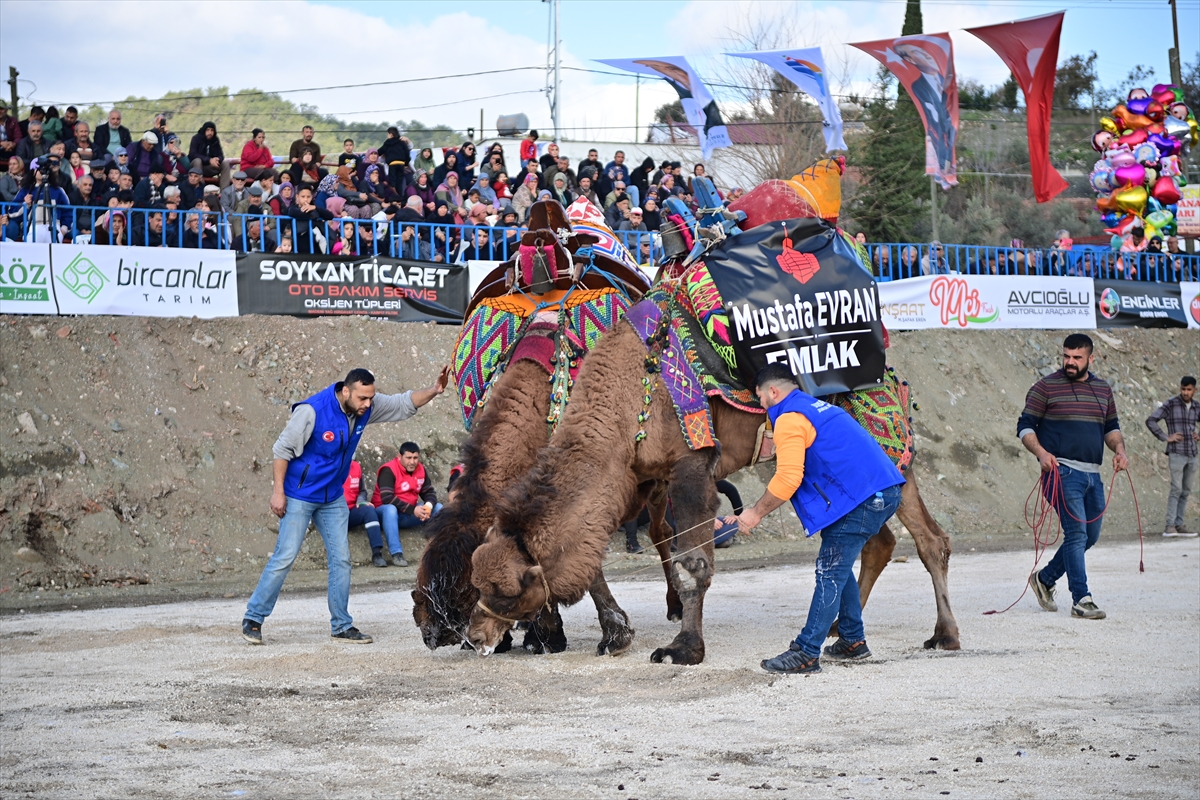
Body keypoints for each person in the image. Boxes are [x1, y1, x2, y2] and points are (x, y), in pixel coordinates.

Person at [243, 366, 451, 646]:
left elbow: (403, 403)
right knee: (285, 556)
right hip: (300, 494)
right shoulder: (312, 411)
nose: (368, 404)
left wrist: (435, 390)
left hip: (332, 497)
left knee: (341, 560)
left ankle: (341, 625)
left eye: (371, 398)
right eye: (363, 398)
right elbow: (281, 451)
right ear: (345, 391)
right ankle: (253, 618)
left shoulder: (365, 407)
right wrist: (278, 493)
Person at [728, 364, 905, 674]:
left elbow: (788, 478)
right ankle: (852, 640)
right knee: (837, 563)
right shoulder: (812, 406)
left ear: (773, 392)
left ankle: (806, 652)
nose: (760, 405)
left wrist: (754, 513)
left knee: (829, 570)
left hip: (865, 497)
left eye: (760, 398)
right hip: (876, 491)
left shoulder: (790, 418)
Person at [1020, 333, 1128, 621]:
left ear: (1091, 358)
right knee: (1077, 533)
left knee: (1089, 536)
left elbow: (1112, 428)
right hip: (1061, 472)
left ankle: (1044, 578)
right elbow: (1025, 426)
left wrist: (1119, 449)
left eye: (1077, 357)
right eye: (1066, 356)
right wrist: (1041, 453)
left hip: (1094, 474)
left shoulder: (1103, 390)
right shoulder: (1046, 387)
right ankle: (1082, 598)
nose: (1070, 362)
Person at [370, 442, 444, 567]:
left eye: (415, 458)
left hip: (407, 514)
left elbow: (429, 492)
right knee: (390, 509)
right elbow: (387, 497)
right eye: (408, 458)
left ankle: (441, 549)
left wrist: (428, 507)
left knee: (439, 508)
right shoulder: (388, 470)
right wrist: (412, 510)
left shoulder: (421, 469)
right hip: (385, 515)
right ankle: (396, 554)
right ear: (400, 456)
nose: (412, 462)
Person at [1146, 377, 1199, 537]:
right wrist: (1165, 436)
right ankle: (1170, 526)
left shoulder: (1197, 406)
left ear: (1194, 390)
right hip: (1176, 452)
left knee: (1186, 490)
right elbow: (1151, 420)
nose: (1185, 392)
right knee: (1176, 489)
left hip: (1192, 453)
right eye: (1183, 389)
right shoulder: (1171, 403)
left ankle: (1180, 524)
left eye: (1189, 389)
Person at [343, 460, 389, 568]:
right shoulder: (331, 465)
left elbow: (362, 490)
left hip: (351, 511)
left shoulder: (356, 466)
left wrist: (360, 500)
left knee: (369, 510)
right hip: (334, 513)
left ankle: (377, 554)